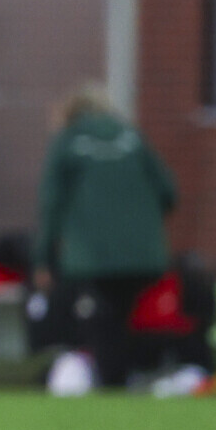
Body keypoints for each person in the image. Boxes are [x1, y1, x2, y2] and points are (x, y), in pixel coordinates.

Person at [34, 84, 176, 389]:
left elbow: (52, 204)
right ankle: (140, 376)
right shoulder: (132, 136)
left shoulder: (67, 140)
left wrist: (43, 259)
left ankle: (114, 385)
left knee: (102, 321)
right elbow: (168, 192)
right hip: (145, 255)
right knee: (127, 318)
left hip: (93, 258)